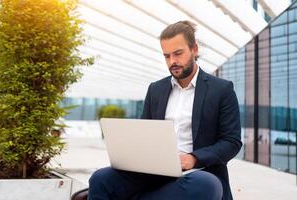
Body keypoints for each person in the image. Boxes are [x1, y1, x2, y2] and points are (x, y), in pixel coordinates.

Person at [87, 21, 242, 200]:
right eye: (166, 56)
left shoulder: (221, 90)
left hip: (198, 172)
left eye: (178, 54)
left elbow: (231, 142)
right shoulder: (156, 89)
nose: (172, 61)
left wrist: (193, 158)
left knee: (206, 185)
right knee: (100, 179)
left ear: (194, 49)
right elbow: (144, 134)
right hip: (153, 173)